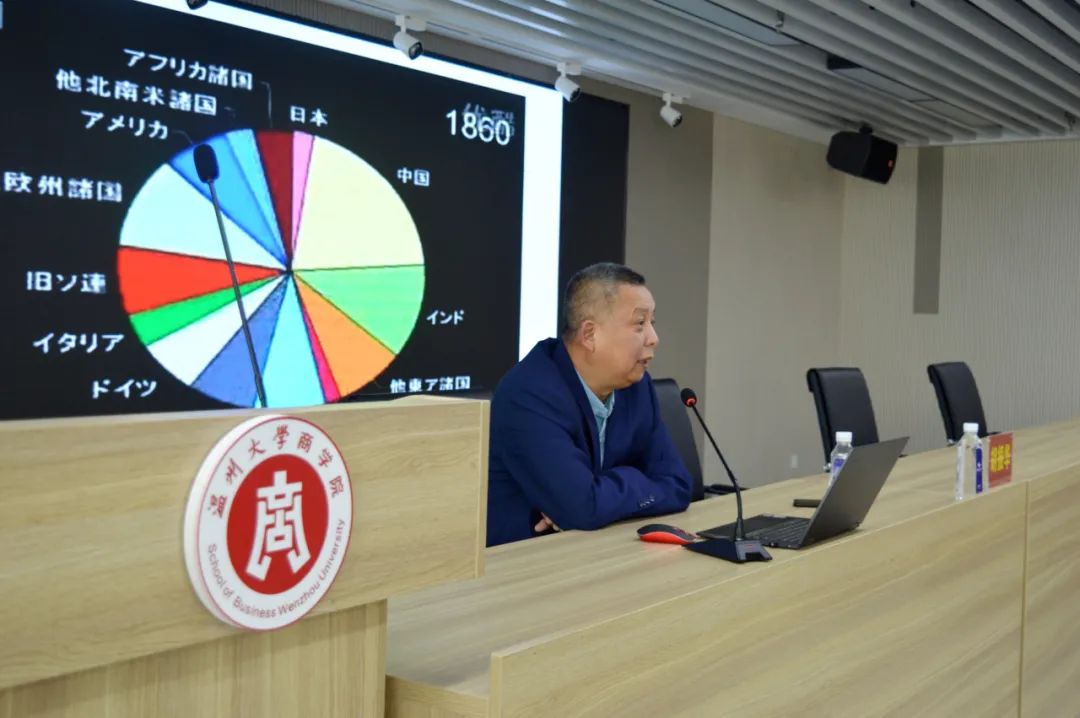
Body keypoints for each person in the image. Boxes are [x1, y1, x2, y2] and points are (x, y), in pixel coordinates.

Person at [487, 262, 692, 546]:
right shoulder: (529, 394)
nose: (654, 339)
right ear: (589, 335)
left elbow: (679, 485)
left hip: (600, 548)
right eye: (639, 324)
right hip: (527, 559)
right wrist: (629, 485)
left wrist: (598, 494)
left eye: (652, 323)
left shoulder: (636, 386)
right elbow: (582, 507)